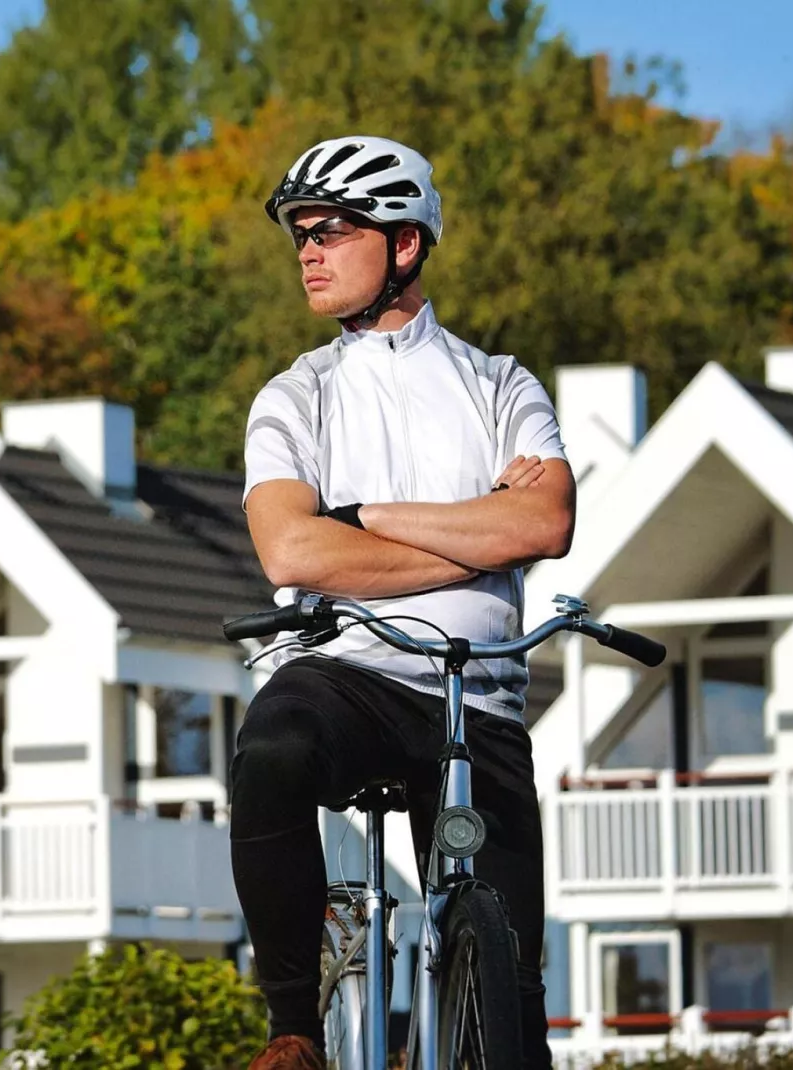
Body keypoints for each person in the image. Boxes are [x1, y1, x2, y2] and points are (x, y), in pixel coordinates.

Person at [234, 135, 576, 1070]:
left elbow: (544, 523)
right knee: (268, 747)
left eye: (333, 229)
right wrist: (475, 535)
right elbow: (290, 548)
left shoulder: (502, 385)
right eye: (300, 233)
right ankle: (293, 1028)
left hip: (480, 700)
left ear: (406, 245)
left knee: (517, 1021)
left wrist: (366, 517)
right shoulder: (293, 398)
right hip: (349, 676)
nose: (307, 249)